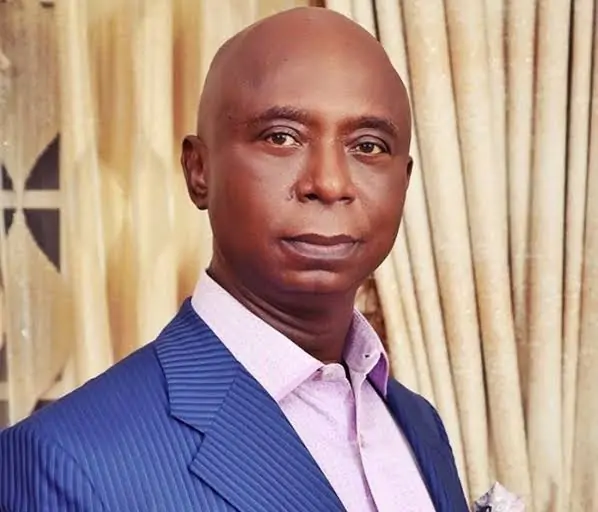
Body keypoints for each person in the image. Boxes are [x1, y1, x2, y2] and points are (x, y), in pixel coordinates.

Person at [0, 6, 468, 512]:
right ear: (198, 171)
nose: (330, 183)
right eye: (281, 137)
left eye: (369, 146)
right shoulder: (63, 460)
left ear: (404, 180)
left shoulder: (419, 425)